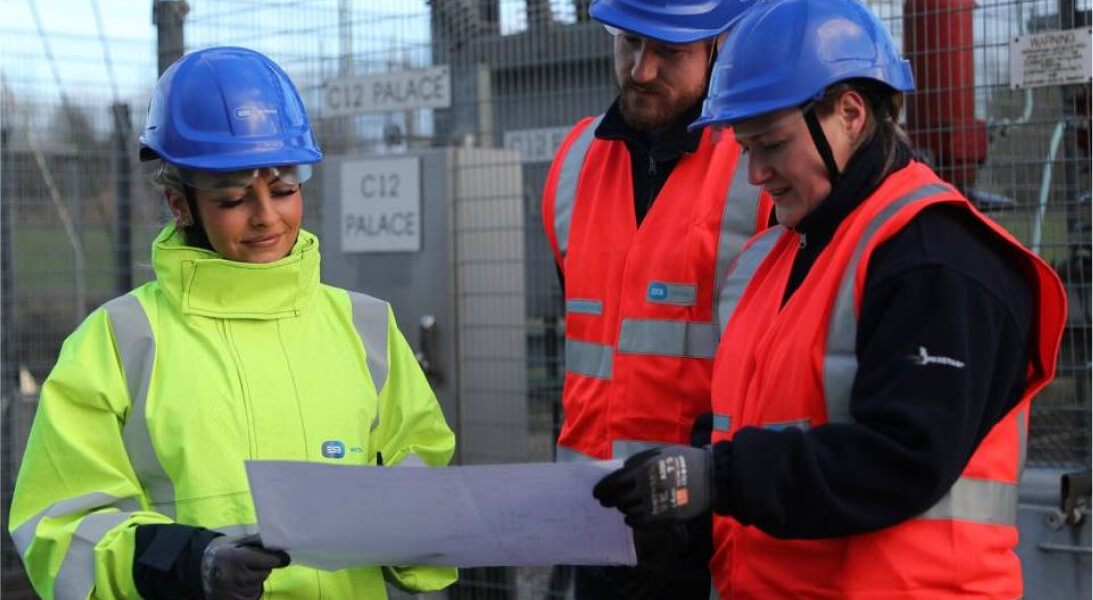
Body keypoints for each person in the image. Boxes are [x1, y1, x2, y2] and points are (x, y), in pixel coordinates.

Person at [592, 0, 1068, 598]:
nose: (755, 176)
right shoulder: (773, 259)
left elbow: (903, 457)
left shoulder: (938, 260)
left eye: (771, 144)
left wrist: (717, 477)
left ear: (849, 113)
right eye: (745, 149)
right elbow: (745, 431)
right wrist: (680, 532)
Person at [8, 46, 457, 600]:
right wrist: (188, 563)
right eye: (233, 198)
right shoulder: (117, 342)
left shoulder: (366, 326)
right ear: (179, 205)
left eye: (285, 190)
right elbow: (58, 525)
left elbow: (423, 472)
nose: (267, 216)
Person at [540, 0, 771, 597]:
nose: (641, 71)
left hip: (712, 528)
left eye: (670, 52)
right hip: (594, 515)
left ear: (720, 49)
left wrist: (703, 492)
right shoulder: (574, 163)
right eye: (630, 44)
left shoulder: (760, 169)